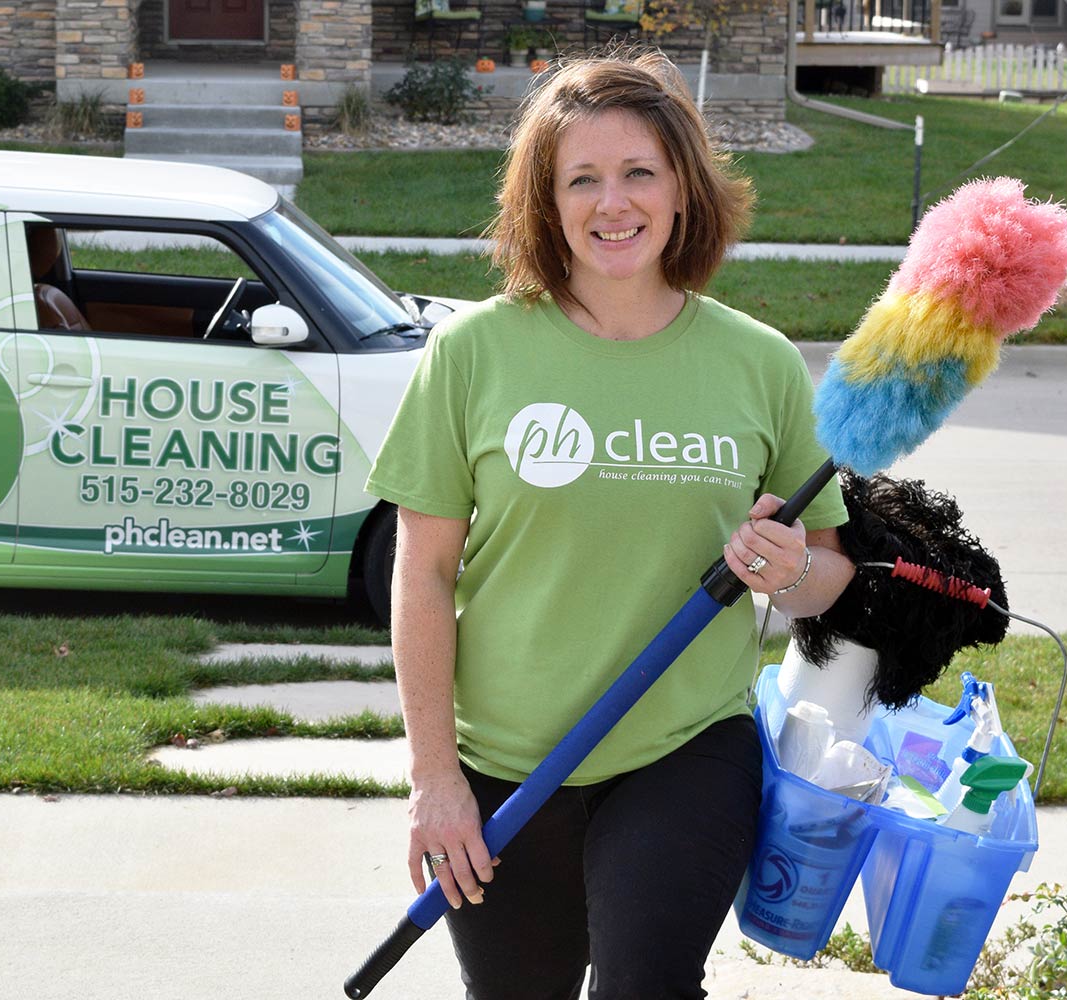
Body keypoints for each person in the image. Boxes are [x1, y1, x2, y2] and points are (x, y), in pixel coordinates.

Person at [363, 51, 855, 999]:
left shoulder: (760, 364)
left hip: (682, 748)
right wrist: (434, 779)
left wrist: (789, 572)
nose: (611, 202)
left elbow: (830, 579)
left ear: (682, 187)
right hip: (505, 763)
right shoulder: (472, 352)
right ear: (544, 202)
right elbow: (419, 576)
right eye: (579, 178)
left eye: (639, 172)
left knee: (645, 986)